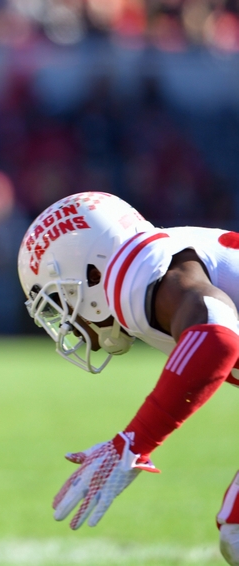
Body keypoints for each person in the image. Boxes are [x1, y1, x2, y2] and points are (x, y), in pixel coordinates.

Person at [17, 191, 239, 565]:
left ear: (92, 275)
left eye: (63, 300)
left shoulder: (133, 280)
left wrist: (134, 441)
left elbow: (216, 333)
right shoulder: (152, 256)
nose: (69, 325)